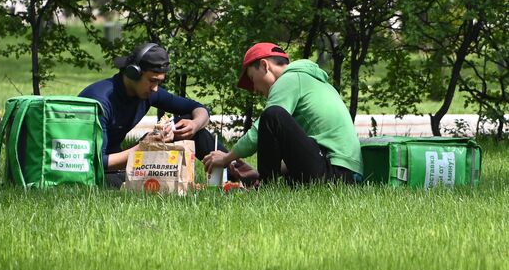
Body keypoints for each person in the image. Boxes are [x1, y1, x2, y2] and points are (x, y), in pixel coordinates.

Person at [203, 42, 363, 185]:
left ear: (265, 65)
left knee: (272, 116)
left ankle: (266, 186)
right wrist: (258, 173)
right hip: (345, 172)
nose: (254, 90)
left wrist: (226, 158)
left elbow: (257, 132)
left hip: (335, 171)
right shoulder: (311, 81)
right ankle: (263, 179)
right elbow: (306, 149)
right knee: (274, 117)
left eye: (252, 78)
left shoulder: (289, 80)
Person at [79, 42, 235, 187]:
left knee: (187, 123)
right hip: (97, 171)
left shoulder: (146, 91)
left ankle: (239, 174)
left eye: (159, 83)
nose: (155, 88)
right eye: (152, 81)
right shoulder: (101, 101)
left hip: (120, 162)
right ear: (133, 73)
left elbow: (199, 109)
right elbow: (96, 162)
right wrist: (144, 147)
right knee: (123, 183)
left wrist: (194, 125)